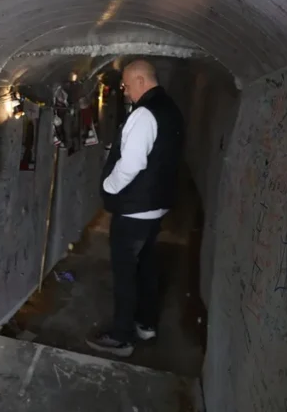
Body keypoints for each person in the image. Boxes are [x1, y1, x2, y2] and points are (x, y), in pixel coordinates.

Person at [86, 59, 184, 357]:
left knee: (126, 272)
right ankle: (146, 324)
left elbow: (131, 164)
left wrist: (109, 187)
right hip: (156, 207)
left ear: (141, 80)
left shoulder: (144, 114)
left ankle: (121, 337)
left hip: (135, 209)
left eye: (127, 86)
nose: (126, 92)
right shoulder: (170, 109)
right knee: (147, 267)